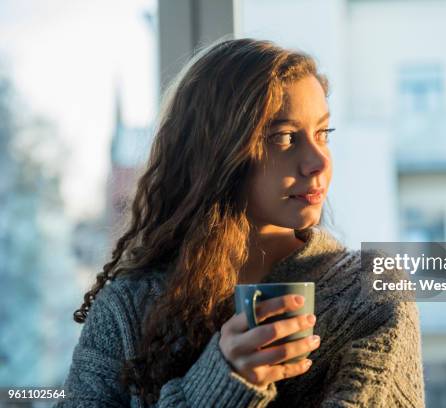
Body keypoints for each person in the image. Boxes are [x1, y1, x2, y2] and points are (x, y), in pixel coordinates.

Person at [56, 38, 425, 407]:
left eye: (322, 134)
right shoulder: (127, 305)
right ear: (216, 154)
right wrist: (222, 384)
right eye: (284, 137)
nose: (318, 161)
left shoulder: (371, 290)